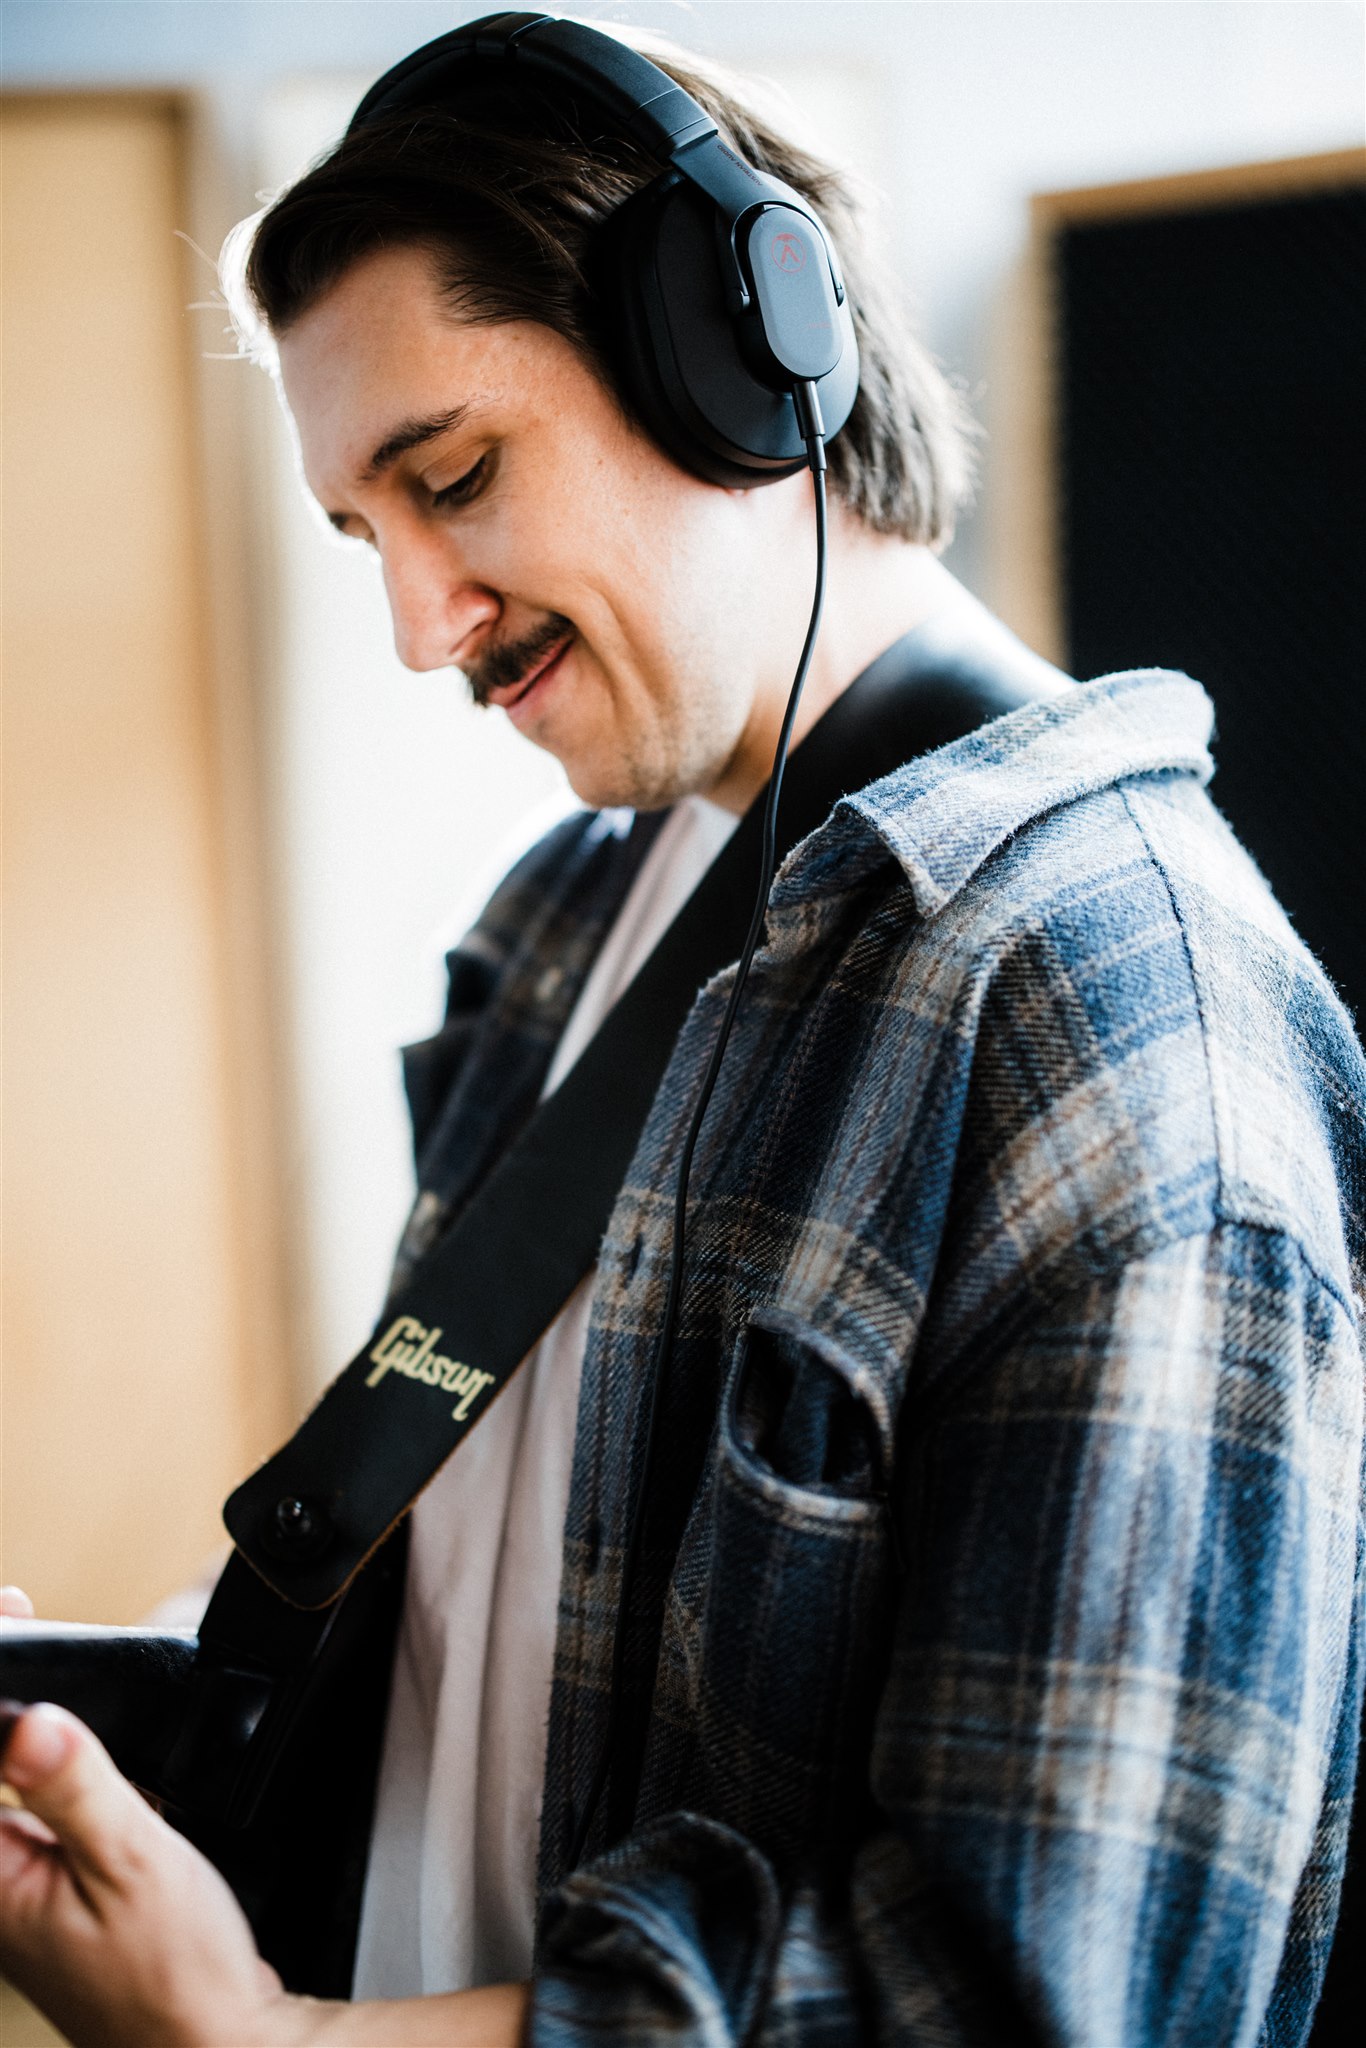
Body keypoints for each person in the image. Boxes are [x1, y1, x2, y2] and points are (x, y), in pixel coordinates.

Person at [2, 18, 1363, 2048]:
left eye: (453, 479)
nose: (418, 627)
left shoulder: (1117, 1009)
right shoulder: (566, 914)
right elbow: (479, 1650)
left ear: (744, 357)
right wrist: (89, 1730)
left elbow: (1041, 1998)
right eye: (368, 533)